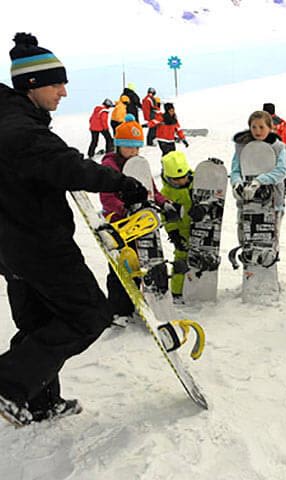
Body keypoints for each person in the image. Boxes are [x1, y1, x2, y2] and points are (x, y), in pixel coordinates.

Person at [0, 33, 148, 425]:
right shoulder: (20, 131)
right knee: (88, 315)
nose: (64, 92)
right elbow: (65, 164)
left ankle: (39, 401)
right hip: (39, 242)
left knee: (40, 322)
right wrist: (121, 182)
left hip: (11, 244)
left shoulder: (8, 119)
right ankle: (9, 383)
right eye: (56, 83)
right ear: (32, 85)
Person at [99, 114, 174, 325]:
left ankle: (143, 302)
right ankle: (119, 310)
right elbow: (107, 197)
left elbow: (151, 189)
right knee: (122, 266)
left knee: (144, 262)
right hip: (120, 225)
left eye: (137, 147)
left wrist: (164, 203)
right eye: (129, 146)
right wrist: (124, 210)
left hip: (142, 223)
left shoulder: (138, 165)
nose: (134, 151)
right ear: (118, 145)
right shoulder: (110, 166)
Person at [230, 110, 286, 246]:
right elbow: (235, 170)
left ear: (270, 127)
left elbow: (281, 171)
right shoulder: (242, 147)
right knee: (246, 240)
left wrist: (259, 181)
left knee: (269, 242)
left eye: (262, 127)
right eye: (254, 127)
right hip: (247, 202)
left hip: (272, 203)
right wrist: (236, 183)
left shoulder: (278, 147)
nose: (257, 131)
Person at [159, 151, 200, 304]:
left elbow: (212, 187)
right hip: (182, 230)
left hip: (199, 227)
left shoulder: (197, 180)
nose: (181, 181)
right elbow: (167, 217)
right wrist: (174, 234)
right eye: (175, 180)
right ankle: (177, 291)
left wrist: (212, 169)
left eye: (183, 177)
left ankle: (198, 285)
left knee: (199, 258)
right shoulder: (166, 193)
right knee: (181, 259)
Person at [263, 102, 286, 196]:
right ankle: (285, 186)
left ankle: (269, 186)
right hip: (282, 147)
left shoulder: (263, 122)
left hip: (268, 148)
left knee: (268, 166)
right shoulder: (281, 121)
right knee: (282, 166)